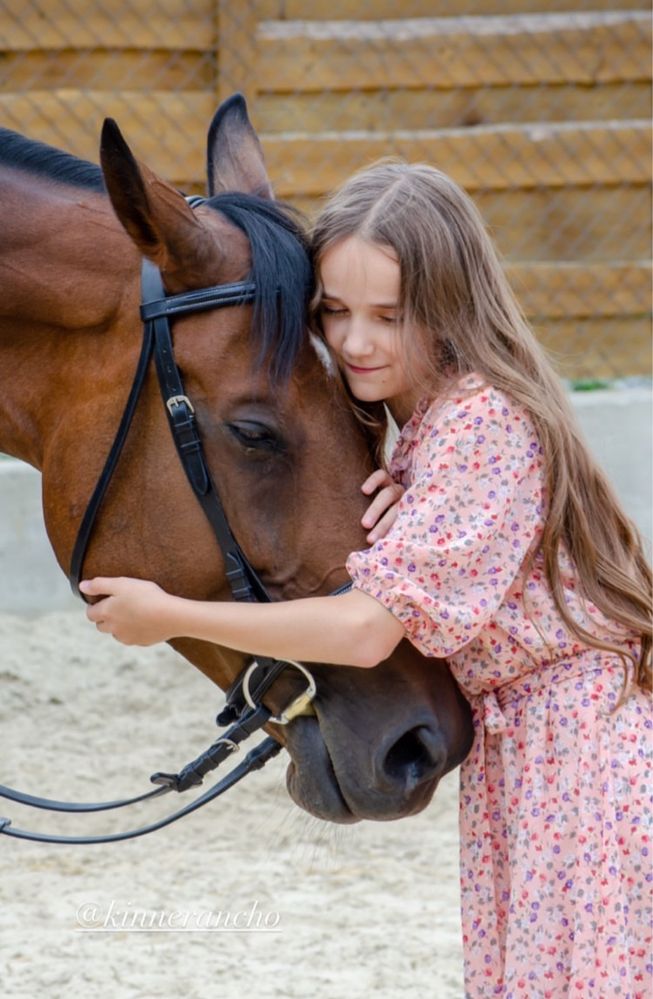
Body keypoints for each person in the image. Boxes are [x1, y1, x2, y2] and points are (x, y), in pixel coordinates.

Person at [80, 162, 652, 998]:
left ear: (452, 305)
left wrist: (170, 612)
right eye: (334, 312)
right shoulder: (429, 425)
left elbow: (361, 629)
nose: (355, 341)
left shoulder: (480, 420)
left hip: (581, 746)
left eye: (389, 315)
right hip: (527, 745)